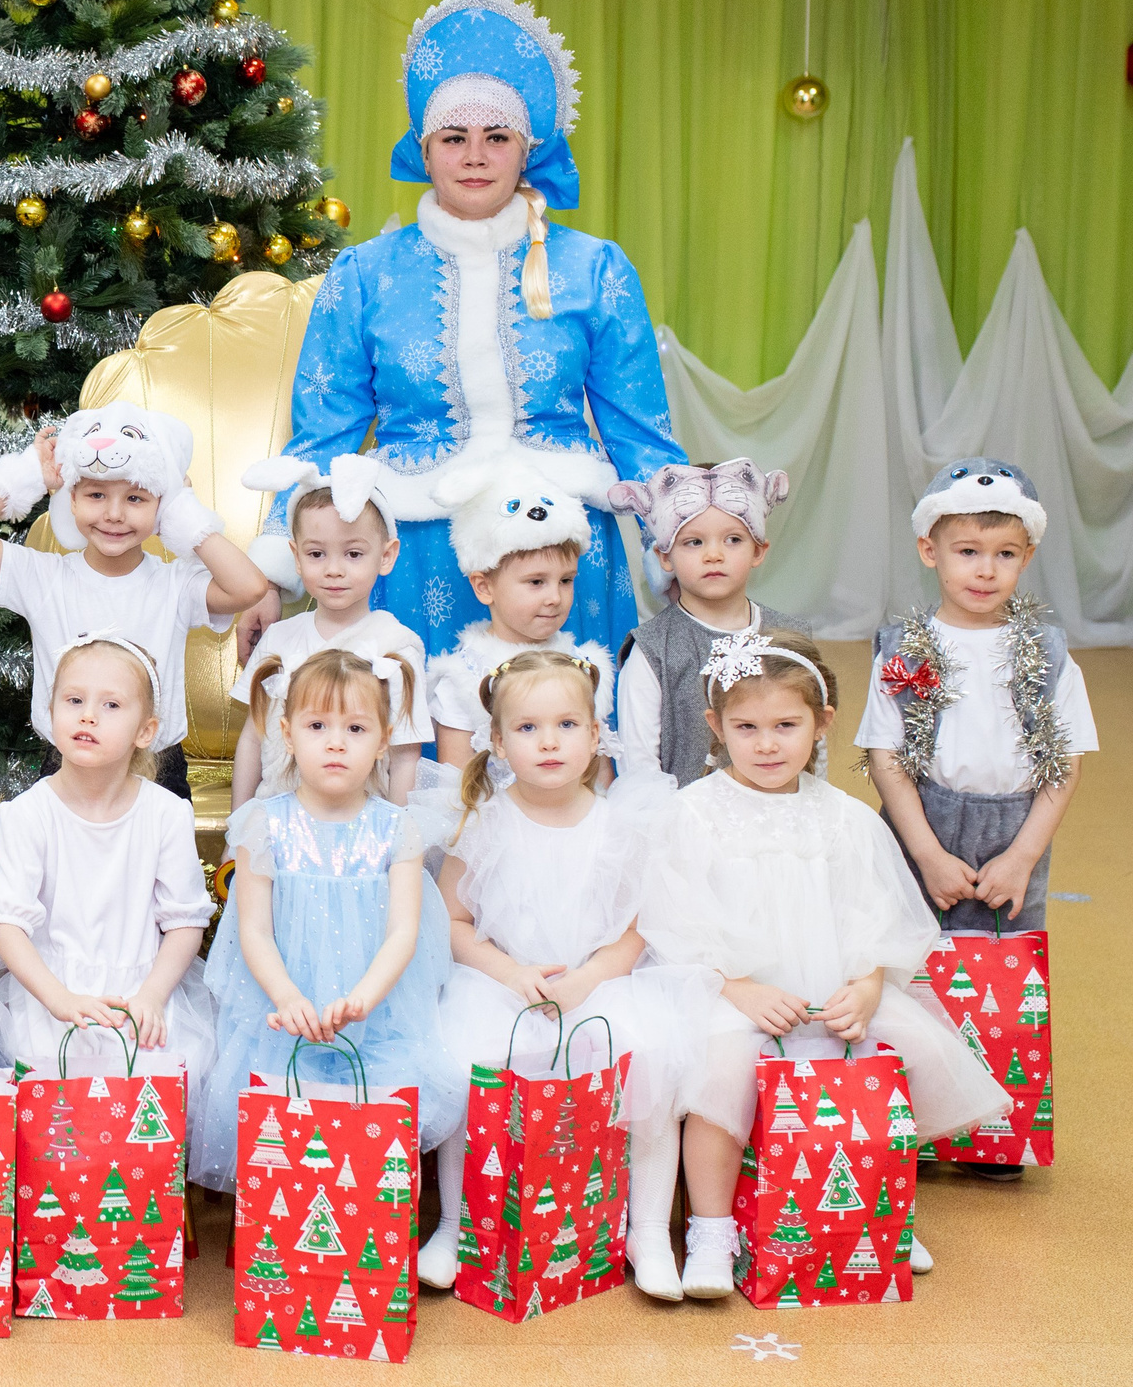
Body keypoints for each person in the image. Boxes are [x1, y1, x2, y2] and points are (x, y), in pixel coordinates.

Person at [236, 0, 686, 666]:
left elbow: (641, 434)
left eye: (496, 137)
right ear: (425, 148)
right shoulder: (365, 275)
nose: (474, 156)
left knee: (563, 744)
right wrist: (269, 572)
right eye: (454, 137)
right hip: (416, 551)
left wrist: (678, 542)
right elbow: (321, 434)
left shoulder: (596, 269)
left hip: (562, 552)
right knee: (423, 748)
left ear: (527, 148)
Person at [636, 630, 1012, 1297]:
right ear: (715, 726)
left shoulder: (844, 819)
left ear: (822, 723)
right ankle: (711, 1232)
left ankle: (875, 1209)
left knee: (906, 1050)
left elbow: (881, 917)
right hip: (729, 993)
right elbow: (672, 918)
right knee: (718, 1078)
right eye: (746, 727)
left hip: (834, 991)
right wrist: (738, 987)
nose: (767, 743)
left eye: (786, 724)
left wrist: (868, 985)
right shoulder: (691, 814)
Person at [426, 651, 703, 1300]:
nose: (548, 741)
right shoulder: (483, 822)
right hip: (503, 986)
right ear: (497, 740)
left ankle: (649, 1234)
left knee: (651, 1065)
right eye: (526, 728)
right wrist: (511, 971)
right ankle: (456, 1223)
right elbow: (454, 921)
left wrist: (590, 977)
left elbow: (639, 927)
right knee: (468, 1062)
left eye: (566, 725)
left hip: (598, 984)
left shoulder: (621, 824)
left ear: (595, 733)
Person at [194, 648, 459, 1192]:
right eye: (318, 725)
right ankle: (288, 1232)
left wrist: (362, 998)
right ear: (288, 734)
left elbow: (403, 932)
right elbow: (254, 931)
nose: (336, 741)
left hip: (376, 1007)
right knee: (281, 1114)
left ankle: (361, 1225)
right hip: (281, 1003)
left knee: (373, 1116)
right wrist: (288, 998)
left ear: (384, 739)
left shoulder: (397, 830)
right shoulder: (262, 825)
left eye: (356, 727)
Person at [0, 405, 268, 797]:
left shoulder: (175, 585)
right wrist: (30, 474)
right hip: (66, 764)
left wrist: (184, 512)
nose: (114, 514)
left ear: (161, 507)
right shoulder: (44, 578)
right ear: (73, 499)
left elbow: (249, 588)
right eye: (97, 494)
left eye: (135, 498)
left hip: (156, 768)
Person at [0, 636, 217, 1115]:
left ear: (145, 730)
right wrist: (58, 999)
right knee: (58, 1129)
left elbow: (185, 919)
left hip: (143, 992)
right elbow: (7, 924)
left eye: (110, 704)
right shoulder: (26, 815)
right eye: (75, 700)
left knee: (137, 1128)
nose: (88, 715)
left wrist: (151, 995)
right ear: (50, 713)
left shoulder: (165, 814)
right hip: (49, 994)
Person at [860, 458, 1095, 936]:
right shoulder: (902, 649)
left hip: (1015, 836)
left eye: (1005, 554)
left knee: (1005, 983)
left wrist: (1022, 857)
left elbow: (1065, 763)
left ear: (1026, 556)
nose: (986, 570)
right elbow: (885, 758)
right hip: (922, 827)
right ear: (930, 550)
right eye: (967, 551)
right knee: (910, 969)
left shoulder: (1048, 653)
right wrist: (927, 856)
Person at [229, 455, 431, 805]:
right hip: (278, 825)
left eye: (353, 554)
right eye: (317, 554)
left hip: (363, 828)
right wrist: (238, 826)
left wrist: (401, 840)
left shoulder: (394, 648)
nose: (334, 570)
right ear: (296, 556)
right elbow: (252, 738)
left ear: (386, 556)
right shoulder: (278, 639)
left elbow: (405, 756)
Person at [608, 459, 807, 789]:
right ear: (665, 556)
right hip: (685, 829)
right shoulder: (652, 650)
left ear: (759, 550)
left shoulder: (788, 638)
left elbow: (812, 746)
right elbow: (638, 767)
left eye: (732, 539)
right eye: (694, 542)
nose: (714, 554)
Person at [426, 468, 618, 784]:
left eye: (566, 580)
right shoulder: (461, 678)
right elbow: (455, 786)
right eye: (536, 582)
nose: (555, 597)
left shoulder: (586, 665)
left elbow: (599, 776)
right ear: (484, 587)